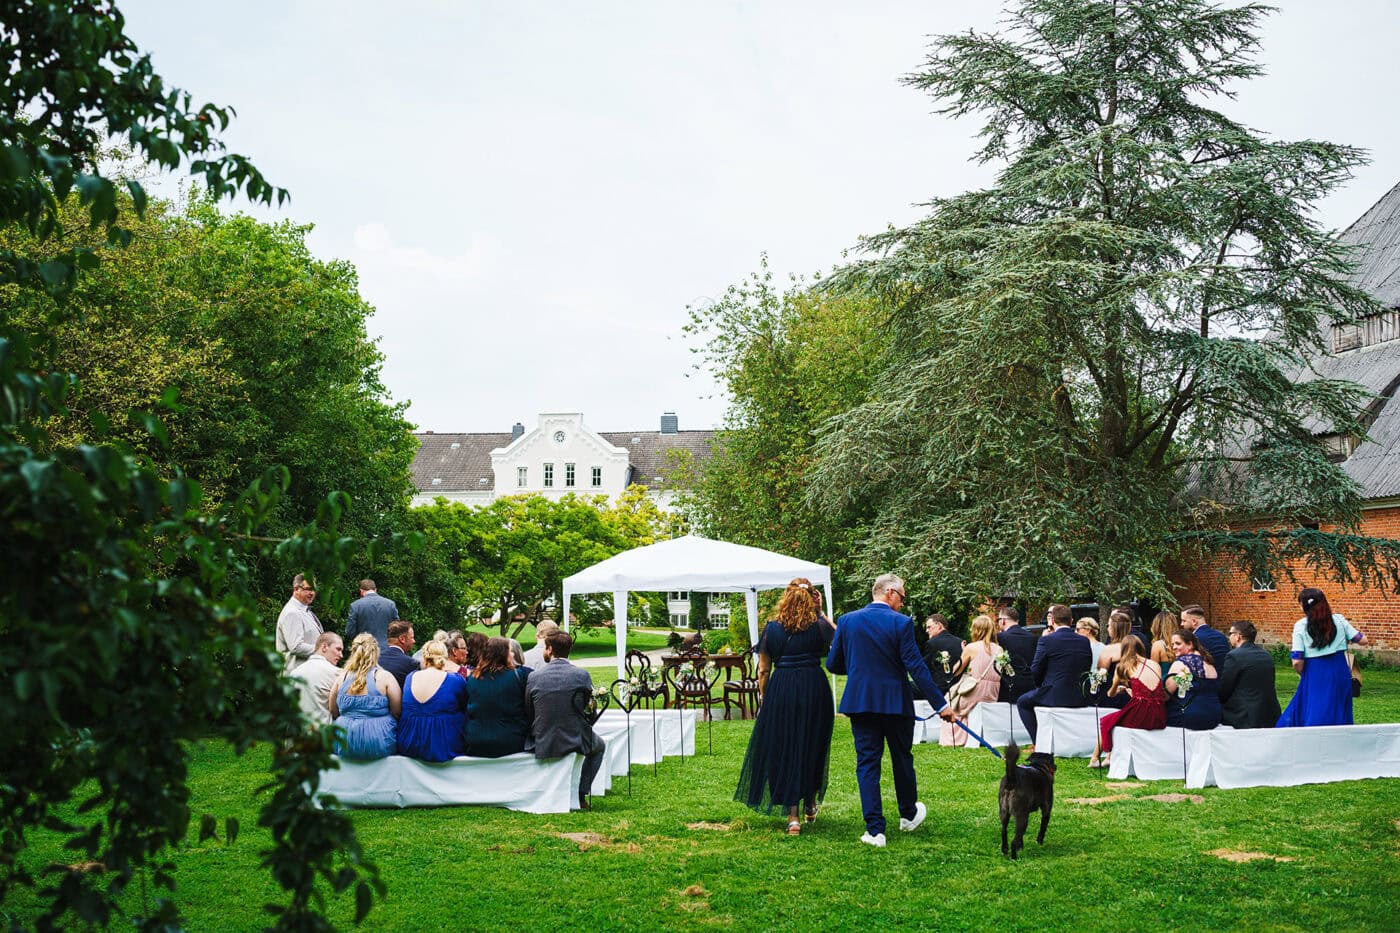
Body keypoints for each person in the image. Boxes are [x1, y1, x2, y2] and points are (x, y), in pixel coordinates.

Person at [826, 573, 954, 848]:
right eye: (903, 597)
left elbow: (833, 664)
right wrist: (941, 704)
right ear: (890, 593)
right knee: (901, 758)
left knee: (867, 764)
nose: (903, 604)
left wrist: (861, 667)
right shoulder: (901, 623)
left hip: (861, 702)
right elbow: (916, 666)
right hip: (895, 702)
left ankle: (875, 831)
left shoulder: (848, 621)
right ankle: (908, 814)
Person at [734, 578, 836, 835]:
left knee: (787, 745)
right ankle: (810, 804)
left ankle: (793, 817)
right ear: (811, 598)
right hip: (814, 687)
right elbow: (841, 641)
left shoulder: (771, 629)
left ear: (785, 598)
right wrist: (821, 612)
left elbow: (763, 670)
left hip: (783, 689)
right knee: (813, 743)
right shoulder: (819, 626)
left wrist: (765, 696)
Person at [525, 631, 607, 810]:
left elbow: (529, 711)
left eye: (545, 649)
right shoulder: (581, 675)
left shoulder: (534, 676)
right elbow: (589, 708)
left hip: (542, 737)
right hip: (575, 737)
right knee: (600, 746)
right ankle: (580, 793)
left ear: (550, 649)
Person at [1277, 588, 1368, 728]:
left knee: (1314, 709)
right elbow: (1362, 640)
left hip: (1315, 672)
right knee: (1339, 709)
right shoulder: (1339, 620)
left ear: (1304, 605)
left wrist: (1302, 673)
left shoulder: (1300, 626)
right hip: (1339, 670)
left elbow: (1297, 660)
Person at [1016, 604, 1092, 745]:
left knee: (1022, 702)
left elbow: (1035, 670)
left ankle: (1038, 742)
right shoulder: (1084, 641)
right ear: (1071, 621)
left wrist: (1040, 686)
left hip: (1055, 694)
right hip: (1081, 695)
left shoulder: (1046, 640)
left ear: (1052, 621)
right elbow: (1087, 666)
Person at [1091, 629, 1165, 768]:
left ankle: (1095, 759)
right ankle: (1108, 757)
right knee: (1116, 720)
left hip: (1141, 711)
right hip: (1158, 711)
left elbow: (1110, 694)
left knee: (1107, 721)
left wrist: (1118, 688)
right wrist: (1131, 691)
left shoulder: (1123, 666)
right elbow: (1151, 690)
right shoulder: (1154, 664)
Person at [329, 634, 401, 760]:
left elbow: (333, 710)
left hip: (344, 742)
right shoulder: (385, 677)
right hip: (378, 742)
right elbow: (397, 711)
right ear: (376, 652)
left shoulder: (342, 677)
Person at [938, 614, 1005, 747]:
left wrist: (964, 652)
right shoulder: (999, 649)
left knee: (950, 702)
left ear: (977, 630)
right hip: (992, 692)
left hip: (975, 690)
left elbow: (956, 671)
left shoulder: (971, 647)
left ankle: (955, 740)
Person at [397, 640, 469, 761]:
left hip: (410, 740)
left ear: (424, 658)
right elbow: (465, 707)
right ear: (445, 658)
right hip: (443, 744)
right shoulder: (455, 680)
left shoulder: (410, 677)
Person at [463, 637, 532, 757]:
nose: (512, 654)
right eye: (510, 651)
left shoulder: (471, 679)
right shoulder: (518, 676)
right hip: (511, 739)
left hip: (476, 740)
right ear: (503, 654)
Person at [1218, 621, 1282, 729]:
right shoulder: (1266, 655)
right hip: (1270, 712)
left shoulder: (1234, 656)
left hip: (1244, 714)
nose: (1229, 637)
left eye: (1230, 633)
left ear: (1238, 636)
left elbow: (1225, 689)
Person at [1164, 628, 1222, 731]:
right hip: (1214, 715)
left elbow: (1166, 695)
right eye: (1172, 644)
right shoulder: (1209, 663)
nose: (1174, 647)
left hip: (1190, 716)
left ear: (1190, 644)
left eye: (1178, 644)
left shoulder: (1180, 664)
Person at [289, 632, 343, 725]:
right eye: (338, 649)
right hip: (322, 734)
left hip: (296, 736)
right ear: (324, 647)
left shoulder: (294, 673)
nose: (341, 655)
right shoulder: (337, 674)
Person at [275, 573, 323, 673]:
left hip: (306, 673)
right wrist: (322, 650)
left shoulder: (305, 610)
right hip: (295, 675)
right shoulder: (292, 612)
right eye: (308, 589)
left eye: (314, 590)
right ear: (296, 589)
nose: (312, 593)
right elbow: (296, 647)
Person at [1090, 613, 1135, 710]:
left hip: (1112, 695)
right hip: (1132, 694)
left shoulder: (1109, 650)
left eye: (1108, 625)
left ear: (1114, 628)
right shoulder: (1135, 647)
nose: (1107, 628)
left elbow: (1101, 674)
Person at [995, 606, 1037, 703]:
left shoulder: (1001, 637)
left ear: (1003, 621)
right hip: (1029, 684)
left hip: (1008, 685)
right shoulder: (1032, 637)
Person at [920, 614, 966, 700]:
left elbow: (924, 668)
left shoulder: (931, 643)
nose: (927, 630)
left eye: (929, 627)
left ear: (939, 625)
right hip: (957, 689)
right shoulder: (960, 642)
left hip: (937, 690)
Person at [344, 578, 399, 649]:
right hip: (386, 648)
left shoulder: (355, 605)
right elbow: (397, 628)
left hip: (364, 649)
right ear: (375, 590)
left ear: (361, 591)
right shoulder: (390, 604)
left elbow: (350, 632)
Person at [1180, 605, 1231, 672]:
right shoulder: (1221, 636)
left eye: (1184, 621)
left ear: (1194, 621)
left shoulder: (1193, 639)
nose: (1181, 624)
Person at [379, 620, 419, 688]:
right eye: (412, 637)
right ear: (402, 639)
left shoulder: (375, 659)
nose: (414, 641)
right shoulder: (410, 663)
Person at [1149, 610, 1179, 676]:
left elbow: (1154, 672)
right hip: (1180, 682)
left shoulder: (1158, 645)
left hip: (1164, 683)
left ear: (1157, 625)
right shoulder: (1181, 642)